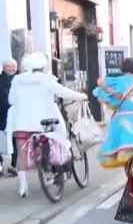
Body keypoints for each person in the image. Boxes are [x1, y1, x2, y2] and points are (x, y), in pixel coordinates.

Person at [6, 53, 88, 197]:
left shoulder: (17, 80)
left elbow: (11, 100)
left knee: (22, 152)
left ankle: (23, 186)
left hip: (22, 122)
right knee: (58, 138)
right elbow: (63, 92)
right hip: (44, 121)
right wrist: (82, 96)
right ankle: (53, 170)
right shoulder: (46, 80)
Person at [93, 57, 133, 168]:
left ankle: (129, 172)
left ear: (122, 69)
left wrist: (105, 87)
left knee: (125, 150)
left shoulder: (117, 81)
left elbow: (100, 92)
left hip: (123, 118)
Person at [0, 59, 19, 176]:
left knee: (16, 139)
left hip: (18, 114)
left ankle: (14, 165)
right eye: (8, 66)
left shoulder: (20, 79)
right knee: (1, 140)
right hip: (3, 114)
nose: (11, 69)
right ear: (3, 67)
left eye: (13, 66)